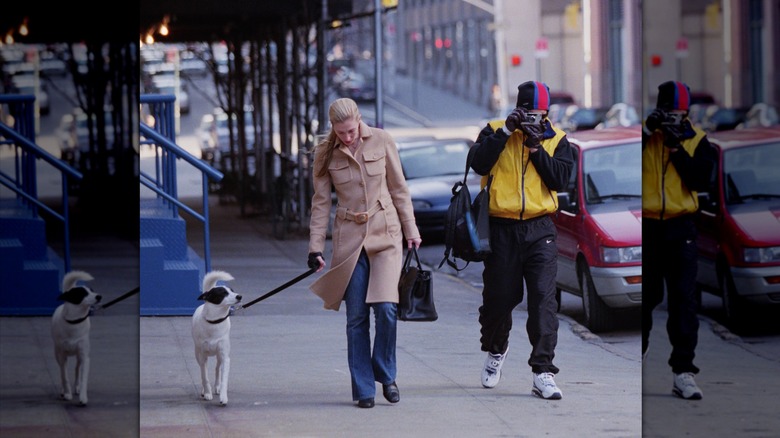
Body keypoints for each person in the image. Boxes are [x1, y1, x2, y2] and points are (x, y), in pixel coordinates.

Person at [306, 98, 422, 409]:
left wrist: (411, 230)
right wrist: (315, 246)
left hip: (386, 234)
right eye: (340, 133)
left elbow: (399, 188)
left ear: (359, 120)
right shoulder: (325, 153)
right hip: (350, 241)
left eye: (351, 130)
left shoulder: (382, 140)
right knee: (356, 317)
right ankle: (364, 388)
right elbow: (320, 204)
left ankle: (386, 374)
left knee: (385, 309)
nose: (348, 137)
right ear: (332, 129)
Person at [469, 81, 574, 400]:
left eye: (540, 114)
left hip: (539, 229)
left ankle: (543, 371)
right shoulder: (494, 130)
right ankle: (496, 349)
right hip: (501, 229)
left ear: (548, 114)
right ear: (517, 110)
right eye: (528, 113)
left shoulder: (556, 139)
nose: (535, 120)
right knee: (499, 301)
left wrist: (535, 148)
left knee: (543, 300)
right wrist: (505, 134)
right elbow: (478, 164)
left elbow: (559, 179)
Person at [642, 80, 716, 400]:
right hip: (647, 228)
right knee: (645, 299)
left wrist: (675, 148)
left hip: (681, 227)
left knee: (684, 302)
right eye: (667, 114)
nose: (673, 119)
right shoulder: (644, 139)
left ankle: (683, 372)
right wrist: (649, 134)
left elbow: (700, 181)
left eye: (678, 114)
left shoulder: (697, 141)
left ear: (687, 114)